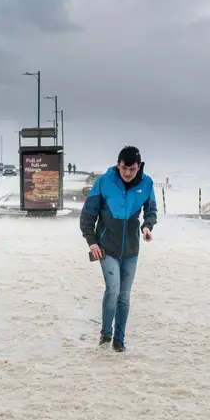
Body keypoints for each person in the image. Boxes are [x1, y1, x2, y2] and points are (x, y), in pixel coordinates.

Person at [79, 146, 157, 352]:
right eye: (124, 168)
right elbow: (87, 215)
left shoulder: (147, 183)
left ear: (138, 166)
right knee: (113, 290)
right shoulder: (105, 181)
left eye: (132, 169)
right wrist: (92, 241)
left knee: (124, 295)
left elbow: (151, 210)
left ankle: (119, 341)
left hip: (131, 249)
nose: (128, 173)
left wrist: (147, 226)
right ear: (118, 164)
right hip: (106, 248)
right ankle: (105, 335)